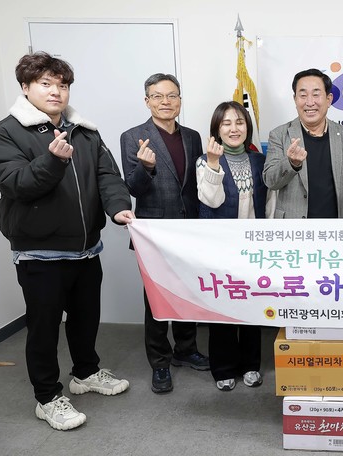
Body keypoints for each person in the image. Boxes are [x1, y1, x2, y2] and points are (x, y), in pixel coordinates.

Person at [0, 52, 133, 430]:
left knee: (86, 318)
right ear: (25, 87)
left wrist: (119, 209)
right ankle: (47, 397)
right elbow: (15, 184)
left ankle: (85, 373)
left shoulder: (85, 131)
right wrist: (52, 161)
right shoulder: (5, 133)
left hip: (87, 248)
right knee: (44, 328)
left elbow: (108, 176)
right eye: (45, 84)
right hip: (39, 252)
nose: (56, 92)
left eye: (62, 85)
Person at [120, 74, 208, 394]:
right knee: (157, 299)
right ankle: (160, 362)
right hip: (154, 231)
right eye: (157, 96)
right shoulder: (133, 137)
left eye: (172, 95)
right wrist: (145, 168)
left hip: (189, 230)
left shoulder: (193, 136)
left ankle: (186, 349)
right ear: (147, 101)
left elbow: (196, 185)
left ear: (180, 100)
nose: (165, 102)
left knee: (187, 292)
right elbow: (133, 188)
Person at [196, 101, 271, 391]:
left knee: (252, 307)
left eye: (239, 122)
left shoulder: (259, 161)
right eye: (226, 123)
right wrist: (214, 164)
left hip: (253, 249)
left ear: (247, 127)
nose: (234, 129)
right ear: (217, 129)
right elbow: (211, 200)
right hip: (221, 248)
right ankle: (224, 368)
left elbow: (268, 204)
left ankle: (251, 365)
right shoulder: (204, 161)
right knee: (222, 309)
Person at [263, 69, 343, 218]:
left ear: (329, 99)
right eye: (303, 95)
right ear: (295, 99)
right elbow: (270, 181)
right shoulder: (279, 135)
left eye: (316, 94)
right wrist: (291, 164)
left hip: (337, 227)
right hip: (294, 228)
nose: (309, 102)